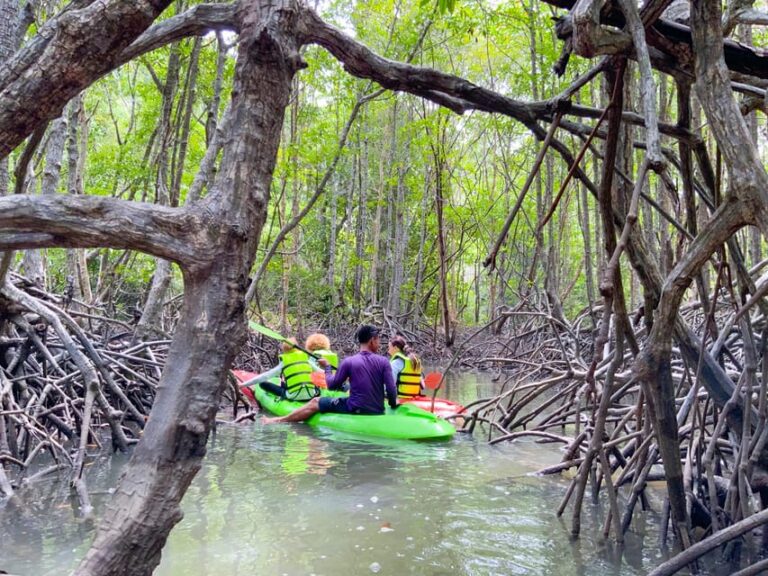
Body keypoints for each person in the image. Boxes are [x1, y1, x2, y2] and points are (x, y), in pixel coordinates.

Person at [262, 324, 398, 424]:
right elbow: (391, 391)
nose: (379, 343)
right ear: (372, 340)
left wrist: (327, 367)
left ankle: (279, 420)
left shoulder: (349, 361)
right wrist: (392, 405)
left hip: (355, 407)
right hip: (377, 409)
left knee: (315, 401)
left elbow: (332, 385)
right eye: (378, 340)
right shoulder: (384, 361)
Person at [241, 338, 320, 402]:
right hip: (311, 395)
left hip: (293, 396)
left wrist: (243, 385)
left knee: (262, 383)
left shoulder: (284, 363)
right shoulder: (306, 359)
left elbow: (265, 376)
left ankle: (285, 395)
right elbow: (322, 372)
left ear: (284, 349)